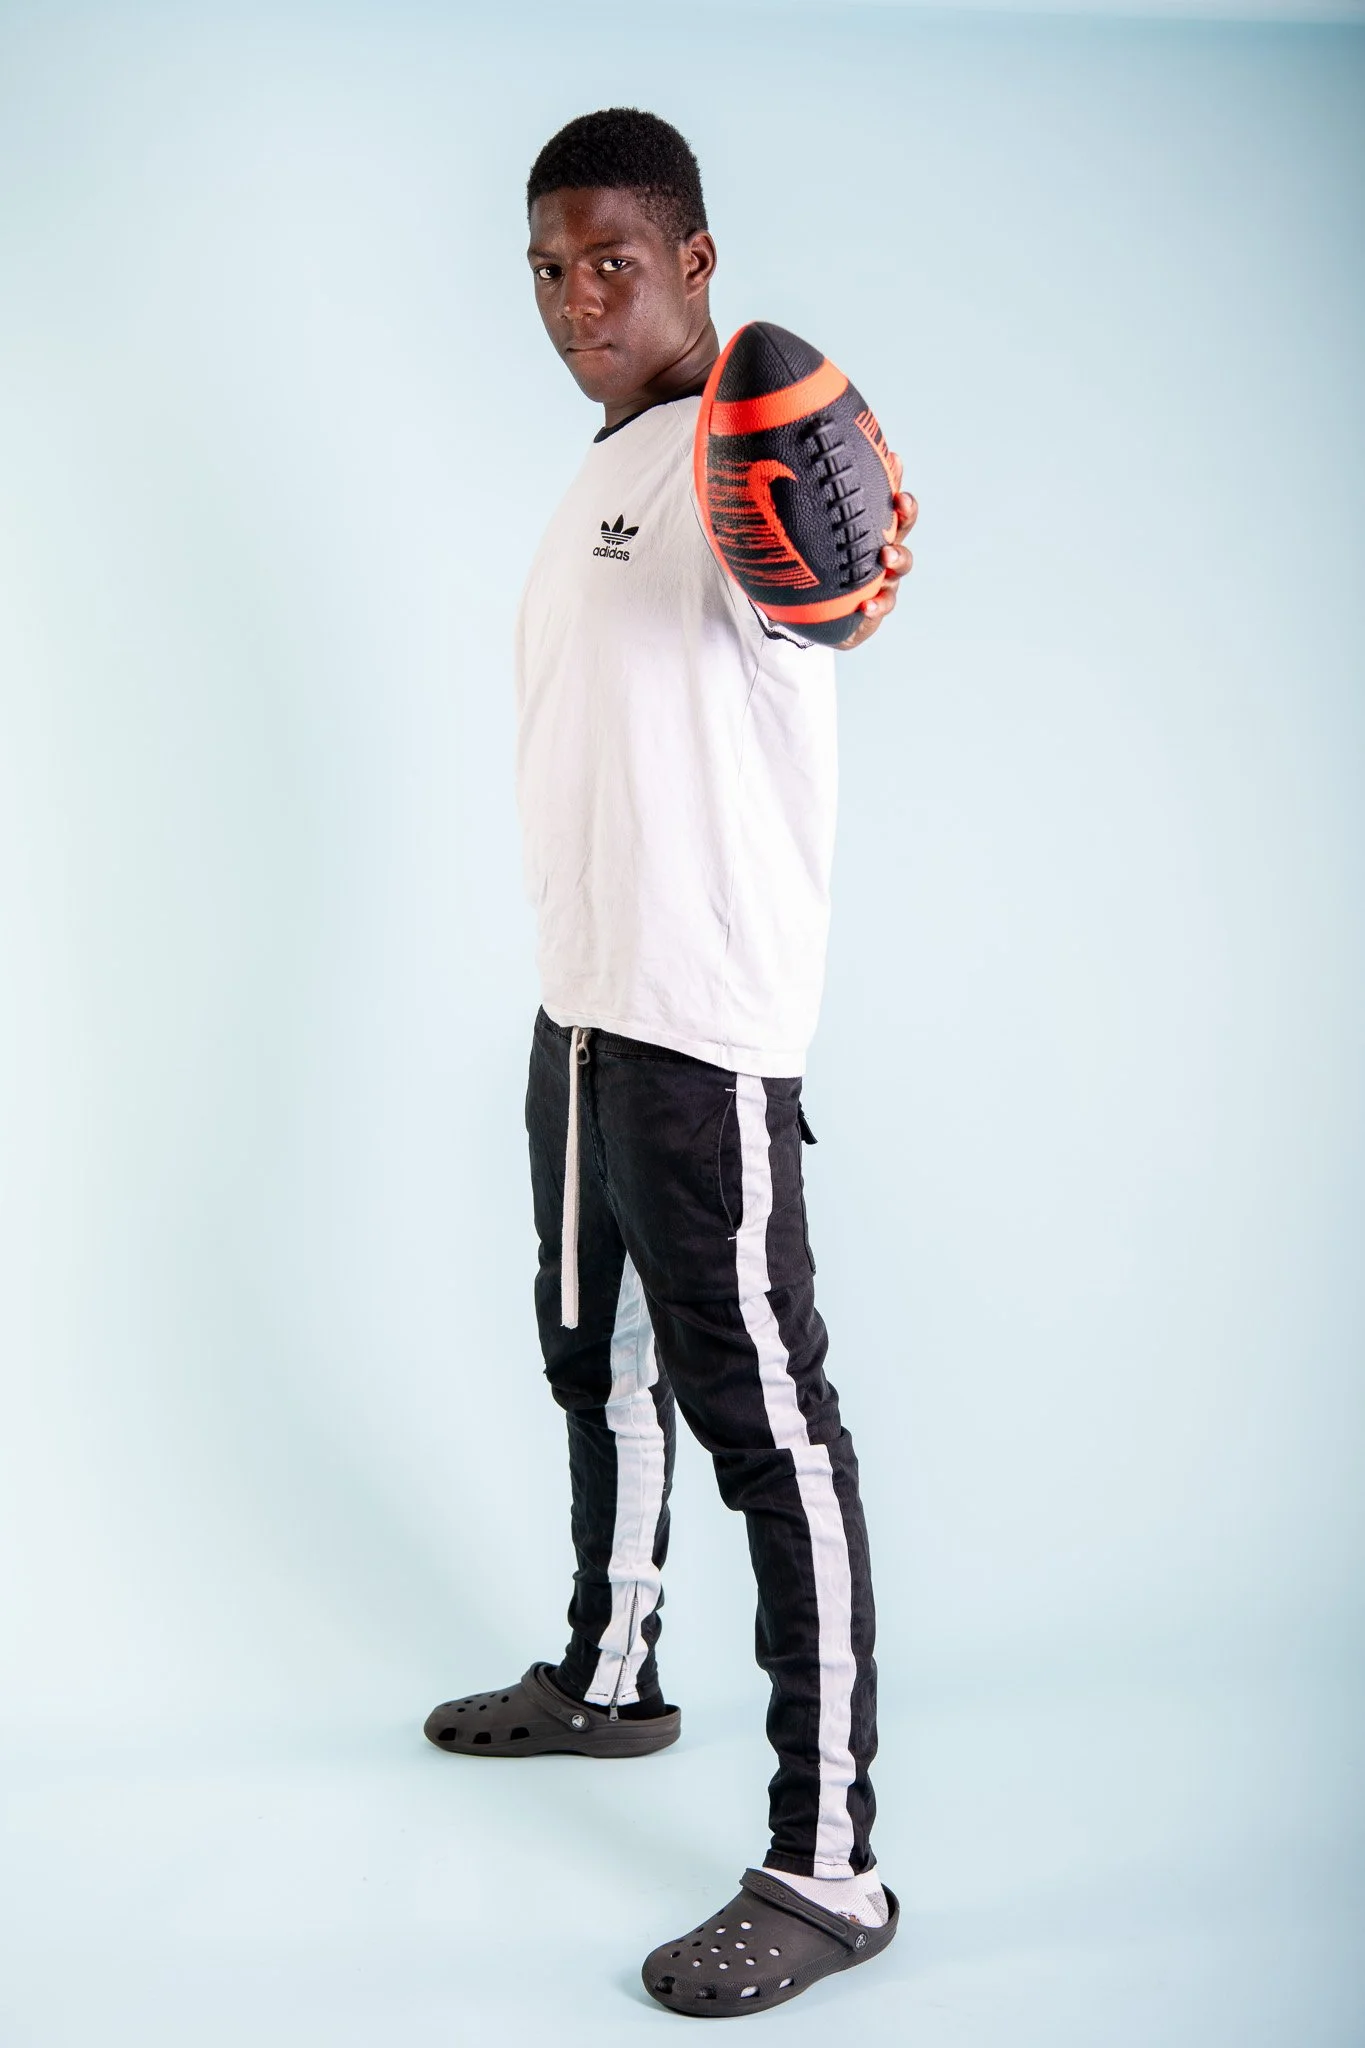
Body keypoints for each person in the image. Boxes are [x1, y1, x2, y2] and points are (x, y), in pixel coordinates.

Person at [423, 106, 917, 2015]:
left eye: (610, 261)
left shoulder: (745, 441)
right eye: (547, 269)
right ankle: (614, 1675)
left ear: (696, 264)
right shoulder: (607, 464)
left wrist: (810, 469)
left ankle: (834, 1865)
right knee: (592, 1366)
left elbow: (833, 583)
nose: (572, 301)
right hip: (581, 1015)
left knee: (771, 1434)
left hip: (704, 1035)